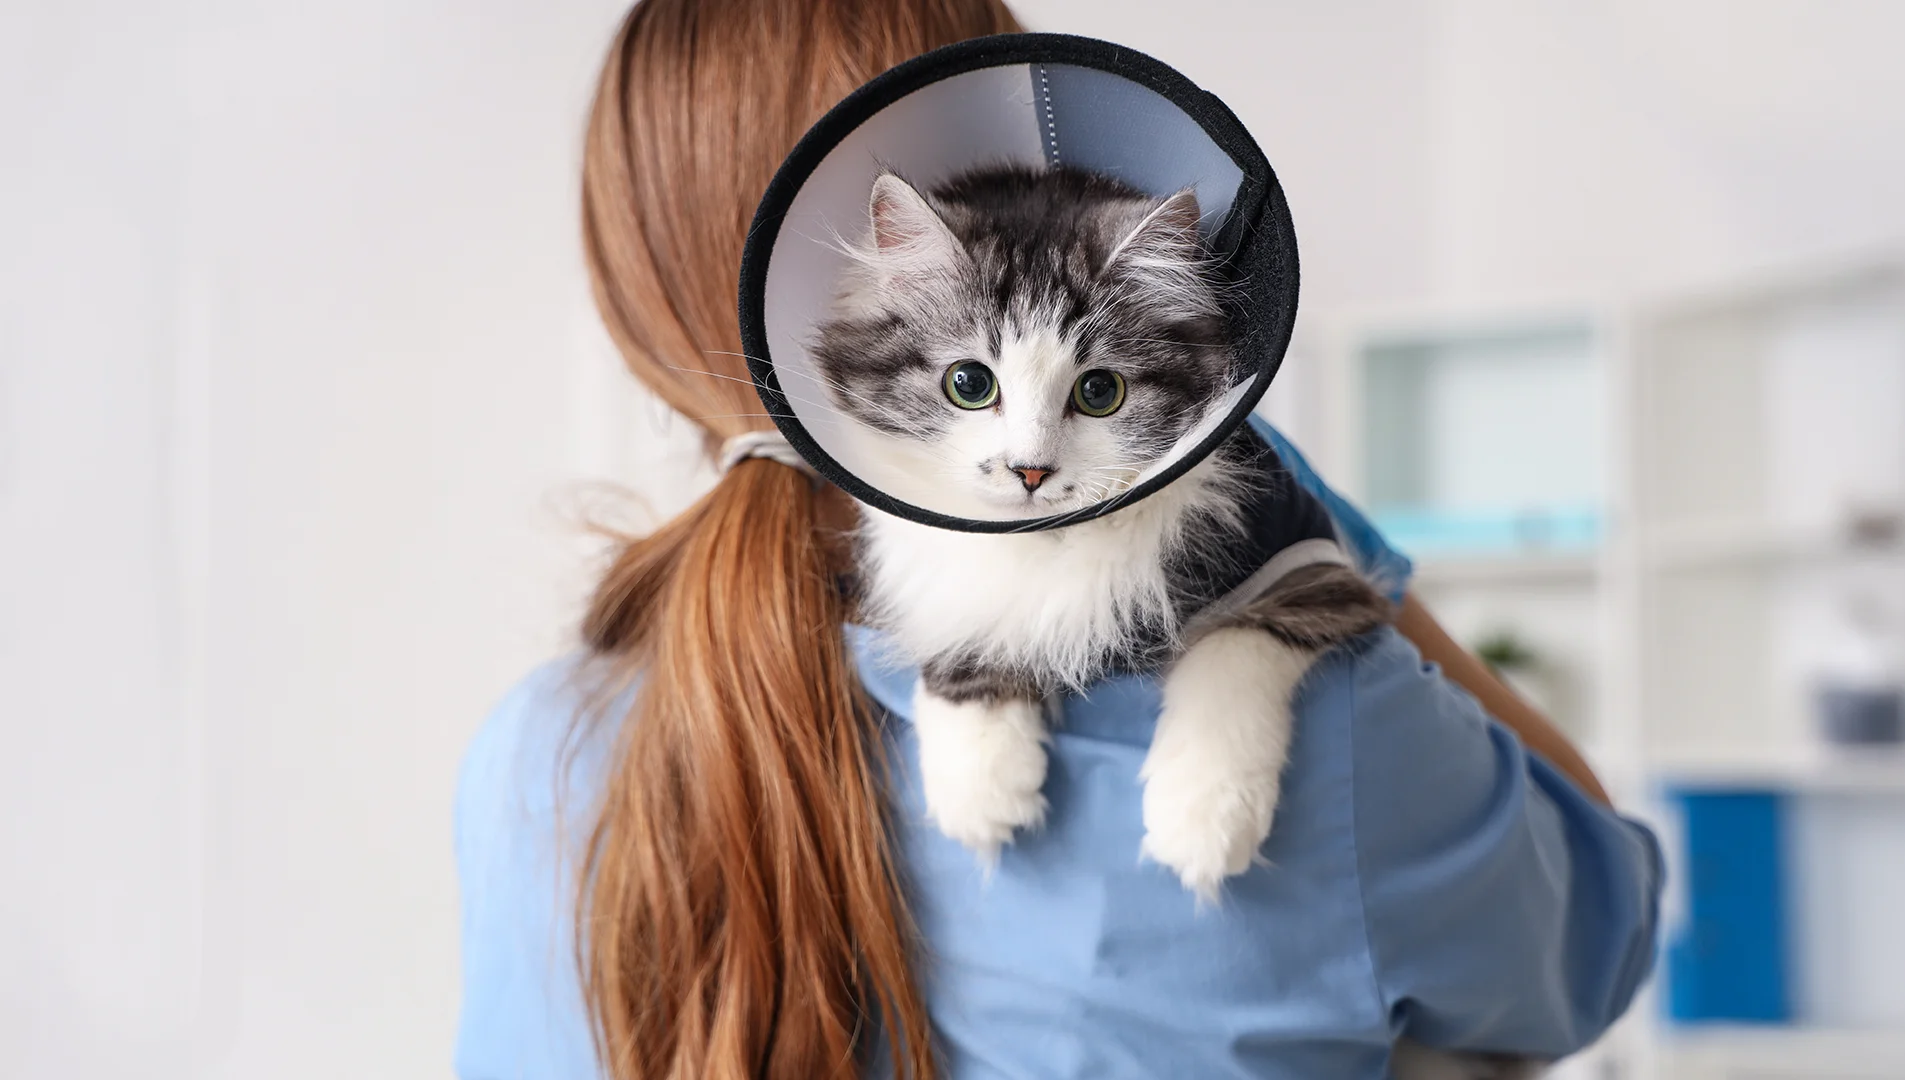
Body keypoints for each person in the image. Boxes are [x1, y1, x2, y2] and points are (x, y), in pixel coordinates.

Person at [454, 1, 1662, 1077]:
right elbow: (1604, 929)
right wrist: (1325, 544)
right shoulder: (1334, 731)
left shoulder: (530, 757)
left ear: (626, 308)